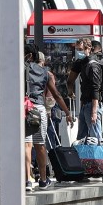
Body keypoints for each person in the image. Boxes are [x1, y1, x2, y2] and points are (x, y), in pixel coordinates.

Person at [25, 43, 74, 190]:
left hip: (23, 107)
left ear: (28, 55)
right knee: (40, 145)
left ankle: (27, 180)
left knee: (26, 145)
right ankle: (43, 179)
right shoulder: (45, 72)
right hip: (39, 109)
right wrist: (67, 113)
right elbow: (57, 95)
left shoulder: (19, 69)